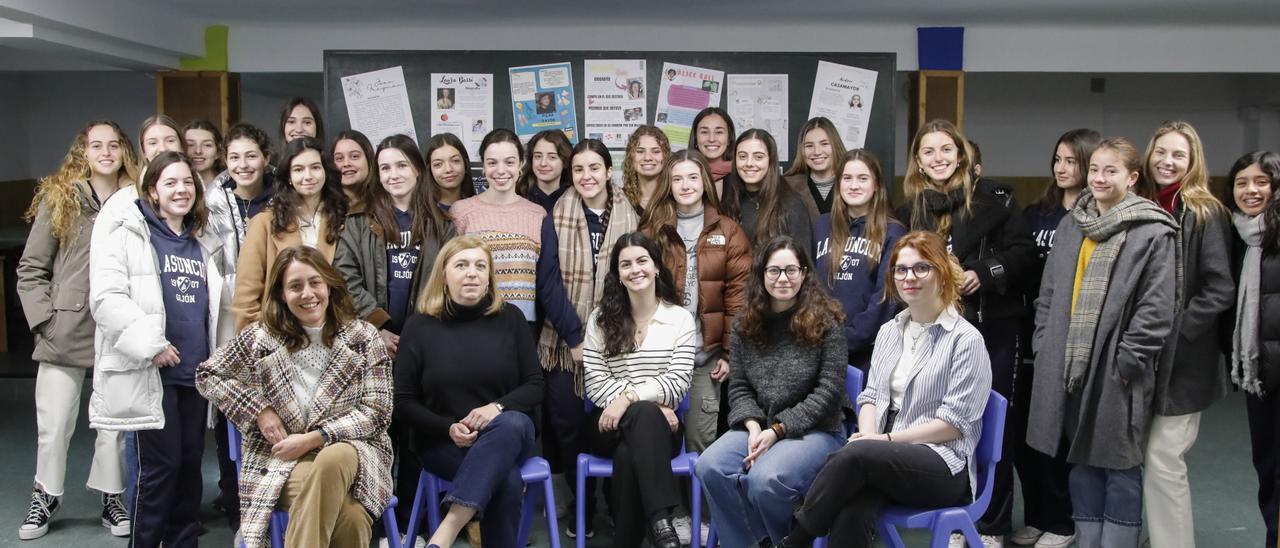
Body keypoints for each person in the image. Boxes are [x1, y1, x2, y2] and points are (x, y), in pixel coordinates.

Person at [777, 230, 993, 548]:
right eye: (901, 269)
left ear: (942, 272)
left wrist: (880, 441)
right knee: (850, 510)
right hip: (884, 459)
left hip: (943, 466)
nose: (910, 277)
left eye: (922, 267)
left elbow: (953, 425)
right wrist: (869, 437)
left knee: (857, 456)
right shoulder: (891, 331)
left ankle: (796, 540)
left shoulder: (965, 340)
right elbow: (872, 396)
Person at [1027, 138, 1179, 548]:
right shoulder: (1072, 224)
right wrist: (1044, 345)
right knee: (1079, 460)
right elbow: (1049, 294)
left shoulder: (1152, 231)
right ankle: (1088, 539)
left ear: (1131, 178)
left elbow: (1156, 311)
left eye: (1110, 171)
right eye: (1094, 169)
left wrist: (1126, 362)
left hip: (1117, 370)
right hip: (1066, 366)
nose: (1098, 178)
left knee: (1120, 466)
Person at [197, 245, 394, 548]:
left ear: (329, 284)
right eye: (295, 286)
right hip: (283, 461)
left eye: (315, 282)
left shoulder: (364, 337)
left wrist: (315, 438)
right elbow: (208, 375)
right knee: (351, 516)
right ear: (280, 294)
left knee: (337, 453)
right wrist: (259, 409)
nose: (307, 293)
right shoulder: (261, 338)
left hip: (359, 456)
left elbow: (377, 412)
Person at [897, 119, 1034, 547]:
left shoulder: (996, 196)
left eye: (945, 150)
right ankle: (955, 517)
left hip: (991, 327)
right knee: (946, 424)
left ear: (961, 155)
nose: (938, 159)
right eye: (928, 152)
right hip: (937, 334)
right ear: (917, 162)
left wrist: (983, 274)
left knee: (994, 425)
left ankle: (991, 524)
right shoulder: (911, 211)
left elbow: (1024, 254)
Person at [89, 151, 233, 548]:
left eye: (188, 182)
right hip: (152, 374)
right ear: (152, 190)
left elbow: (216, 308)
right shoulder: (129, 234)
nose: (181, 189)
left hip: (195, 376)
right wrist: (151, 346)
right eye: (170, 182)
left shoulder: (204, 240)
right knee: (159, 471)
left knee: (189, 468)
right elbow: (105, 299)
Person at [15, 121, 137, 540]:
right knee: (54, 422)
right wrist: (44, 320)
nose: (105, 152)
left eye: (113, 145)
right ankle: (45, 494)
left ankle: (112, 496)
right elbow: (31, 268)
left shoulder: (137, 197)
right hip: (65, 326)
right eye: (96, 145)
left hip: (119, 326)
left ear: (125, 150)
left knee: (115, 423)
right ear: (83, 152)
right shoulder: (61, 197)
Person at [695, 236, 851, 547]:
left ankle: (789, 541)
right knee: (710, 466)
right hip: (761, 424)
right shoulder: (745, 323)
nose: (783, 278)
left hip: (817, 430)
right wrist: (753, 425)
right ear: (762, 275)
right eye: (774, 271)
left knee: (764, 481)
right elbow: (738, 385)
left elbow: (828, 391)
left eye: (791, 270)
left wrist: (777, 431)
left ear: (804, 273)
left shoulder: (828, 320)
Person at [394, 236, 545, 548]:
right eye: (461, 265)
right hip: (444, 441)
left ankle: (447, 529)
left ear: (489, 275)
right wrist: (447, 428)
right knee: (506, 481)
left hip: (511, 434)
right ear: (444, 275)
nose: (472, 273)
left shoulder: (511, 318)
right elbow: (403, 402)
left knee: (512, 422)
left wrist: (495, 409)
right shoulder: (419, 327)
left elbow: (534, 386)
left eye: (480, 265)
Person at [534, 138, 641, 537]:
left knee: (612, 426)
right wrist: (577, 338)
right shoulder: (555, 214)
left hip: (619, 341)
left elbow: (635, 277)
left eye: (594, 168)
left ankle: (616, 505)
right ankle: (582, 506)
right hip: (563, 343)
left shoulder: (632, 215)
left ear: (609, 172)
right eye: (578, 169)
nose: (586, 176)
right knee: (567, 429)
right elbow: (547, 283)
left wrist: (605, 336)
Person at [1138, 121, 1235, 548]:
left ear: (1193, 161)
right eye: (1161, 152)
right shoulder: (1139, 205)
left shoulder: (1204, 211)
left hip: (1184, 360)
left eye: (1178, 154)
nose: (1167, 161)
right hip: (1142, 356)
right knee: (1147, 457)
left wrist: (1174, 333)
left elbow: (1220, 288)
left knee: (1163, 458)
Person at [1010, 129, 1100, 548]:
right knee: (1028, 438)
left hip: (1071, 340)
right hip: (1030, 336)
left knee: (1062, 438)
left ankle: (1064, 521)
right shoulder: (1035, 215)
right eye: (1058, 160)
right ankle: (1039, 516)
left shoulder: (1094, 217)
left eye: (1072, 162)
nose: (1063, 169)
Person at [582, 231, 696, 548]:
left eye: (642, 260)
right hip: (607, 424)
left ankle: (635, 537)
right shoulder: (600, 320)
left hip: (658, 430)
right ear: (618, 274)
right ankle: (661, 522)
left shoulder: (679, 319)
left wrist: (629, 399)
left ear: (657, 267)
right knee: (643, 418)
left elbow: (678, 382)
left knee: (628, 453)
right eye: (626, 264)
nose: (636, 270)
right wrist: (649, 404)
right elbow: (595, 380)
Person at [640, 149, 750, 455]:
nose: (686, 185)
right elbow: (636, 293)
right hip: (657, 358)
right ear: (668, 184)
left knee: (702, 443)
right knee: (655, 440)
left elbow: (738, 298)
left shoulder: (729, 231)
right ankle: (667, 504)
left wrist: (728, 353)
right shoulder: (652, 230)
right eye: (677, 179)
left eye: (692, 177)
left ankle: (699, 505)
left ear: (705, 181)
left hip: (706, 357)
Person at [1222, 150, 1280, 547]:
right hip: (1261, 374)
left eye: (1261, 181)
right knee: (1268, 467)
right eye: (1242, 183)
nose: (1250, 190)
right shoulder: (1241, 236)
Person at [233, 137, 348, 330]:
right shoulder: (264, 223)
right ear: (288, 177)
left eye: (315, 167)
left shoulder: (342, 220)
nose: (308, 176)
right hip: (279, 333)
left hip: (331, 333)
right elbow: (246, 297)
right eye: (298, 169)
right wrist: (262, 342)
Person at [813, 150, 906, 370]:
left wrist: (847, 340)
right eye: (847, 178)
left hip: (869, 353)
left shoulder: (894, 232)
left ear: (876, 185)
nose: (854, 185)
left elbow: (886, 298)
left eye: (862, 178)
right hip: (819, 345)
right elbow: (810, 285)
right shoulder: (821, 225)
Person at [450, 129, 546, 323]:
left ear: (521, 165)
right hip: (473, 321)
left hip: (522, 325)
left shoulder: (538, 214)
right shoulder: (461, 212)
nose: (500, 170)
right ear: (483, 167)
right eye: (492, 163)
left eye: (509, 162)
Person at [721, 129, 813, 256]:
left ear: (771, 161)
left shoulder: (792, 204)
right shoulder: (729, 200)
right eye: (742, 156)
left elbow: (804, 261)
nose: (749, 163)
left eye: (758, 157)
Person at [784, 117, 848, 218]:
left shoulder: (853, 184)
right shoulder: (786, 187)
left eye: (825, 144)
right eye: (809, 146)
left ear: (835, 145)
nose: (817, 152)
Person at [688, 107, 740, 213]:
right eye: (704, 132)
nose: (711, 139)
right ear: (696, 138)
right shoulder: (683, 175)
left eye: (719, 132)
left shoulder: (742, 174)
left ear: (729, 138)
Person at [518, 129, 574, 212]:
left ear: (565, 162)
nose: (543, 163)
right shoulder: (518, 194)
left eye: (552, 157)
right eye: (538, 156)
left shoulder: (575, 198)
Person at [621, 125, 671, 216]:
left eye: (656, 151)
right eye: (640, 151)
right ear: (630, 157)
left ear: (666, 156)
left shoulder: (676, 197)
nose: (647, 158)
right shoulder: (619, 199)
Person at [424, 132, 476, 209]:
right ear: (430, 170)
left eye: (455, 161)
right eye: (438, 164)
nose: (448, 169)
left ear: (465, 164)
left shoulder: (480, 208)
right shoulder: (419, 212)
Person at [331, 130, 377, 213]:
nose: (346, 163)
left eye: (354, 156)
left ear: (369, 160)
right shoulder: (326, 208)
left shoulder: (388, 202)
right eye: (339, 158)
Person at [183, 119, 225, 186]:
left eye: (207, 145)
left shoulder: (231, 183)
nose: (198, 151)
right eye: (190, 145)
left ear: (218, 152)